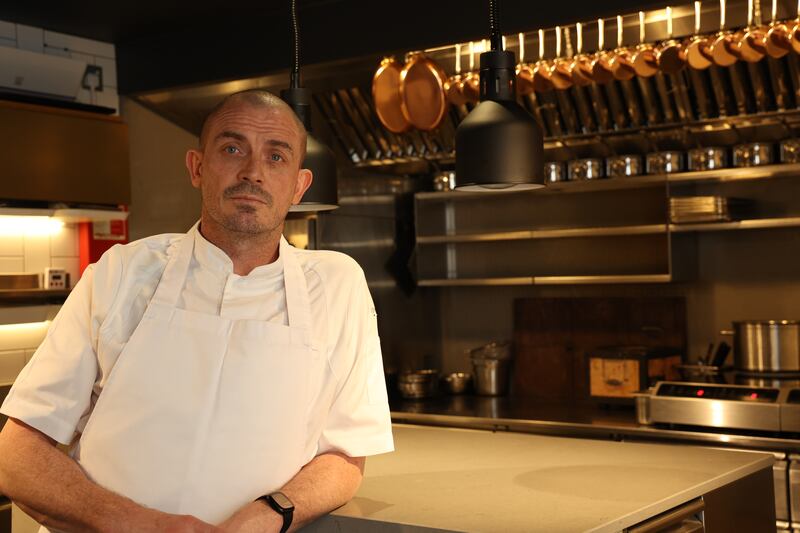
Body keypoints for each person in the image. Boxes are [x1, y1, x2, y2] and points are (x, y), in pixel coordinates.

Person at [0, 89, 394, 533]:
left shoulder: (339, 285)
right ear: (197, 167)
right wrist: (146, 526)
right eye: (232, 149)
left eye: (276, 157)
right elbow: (17, 456)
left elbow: (344, 456)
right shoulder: (120, 273)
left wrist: (268, 516)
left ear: (300, 187)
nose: (253, 173)